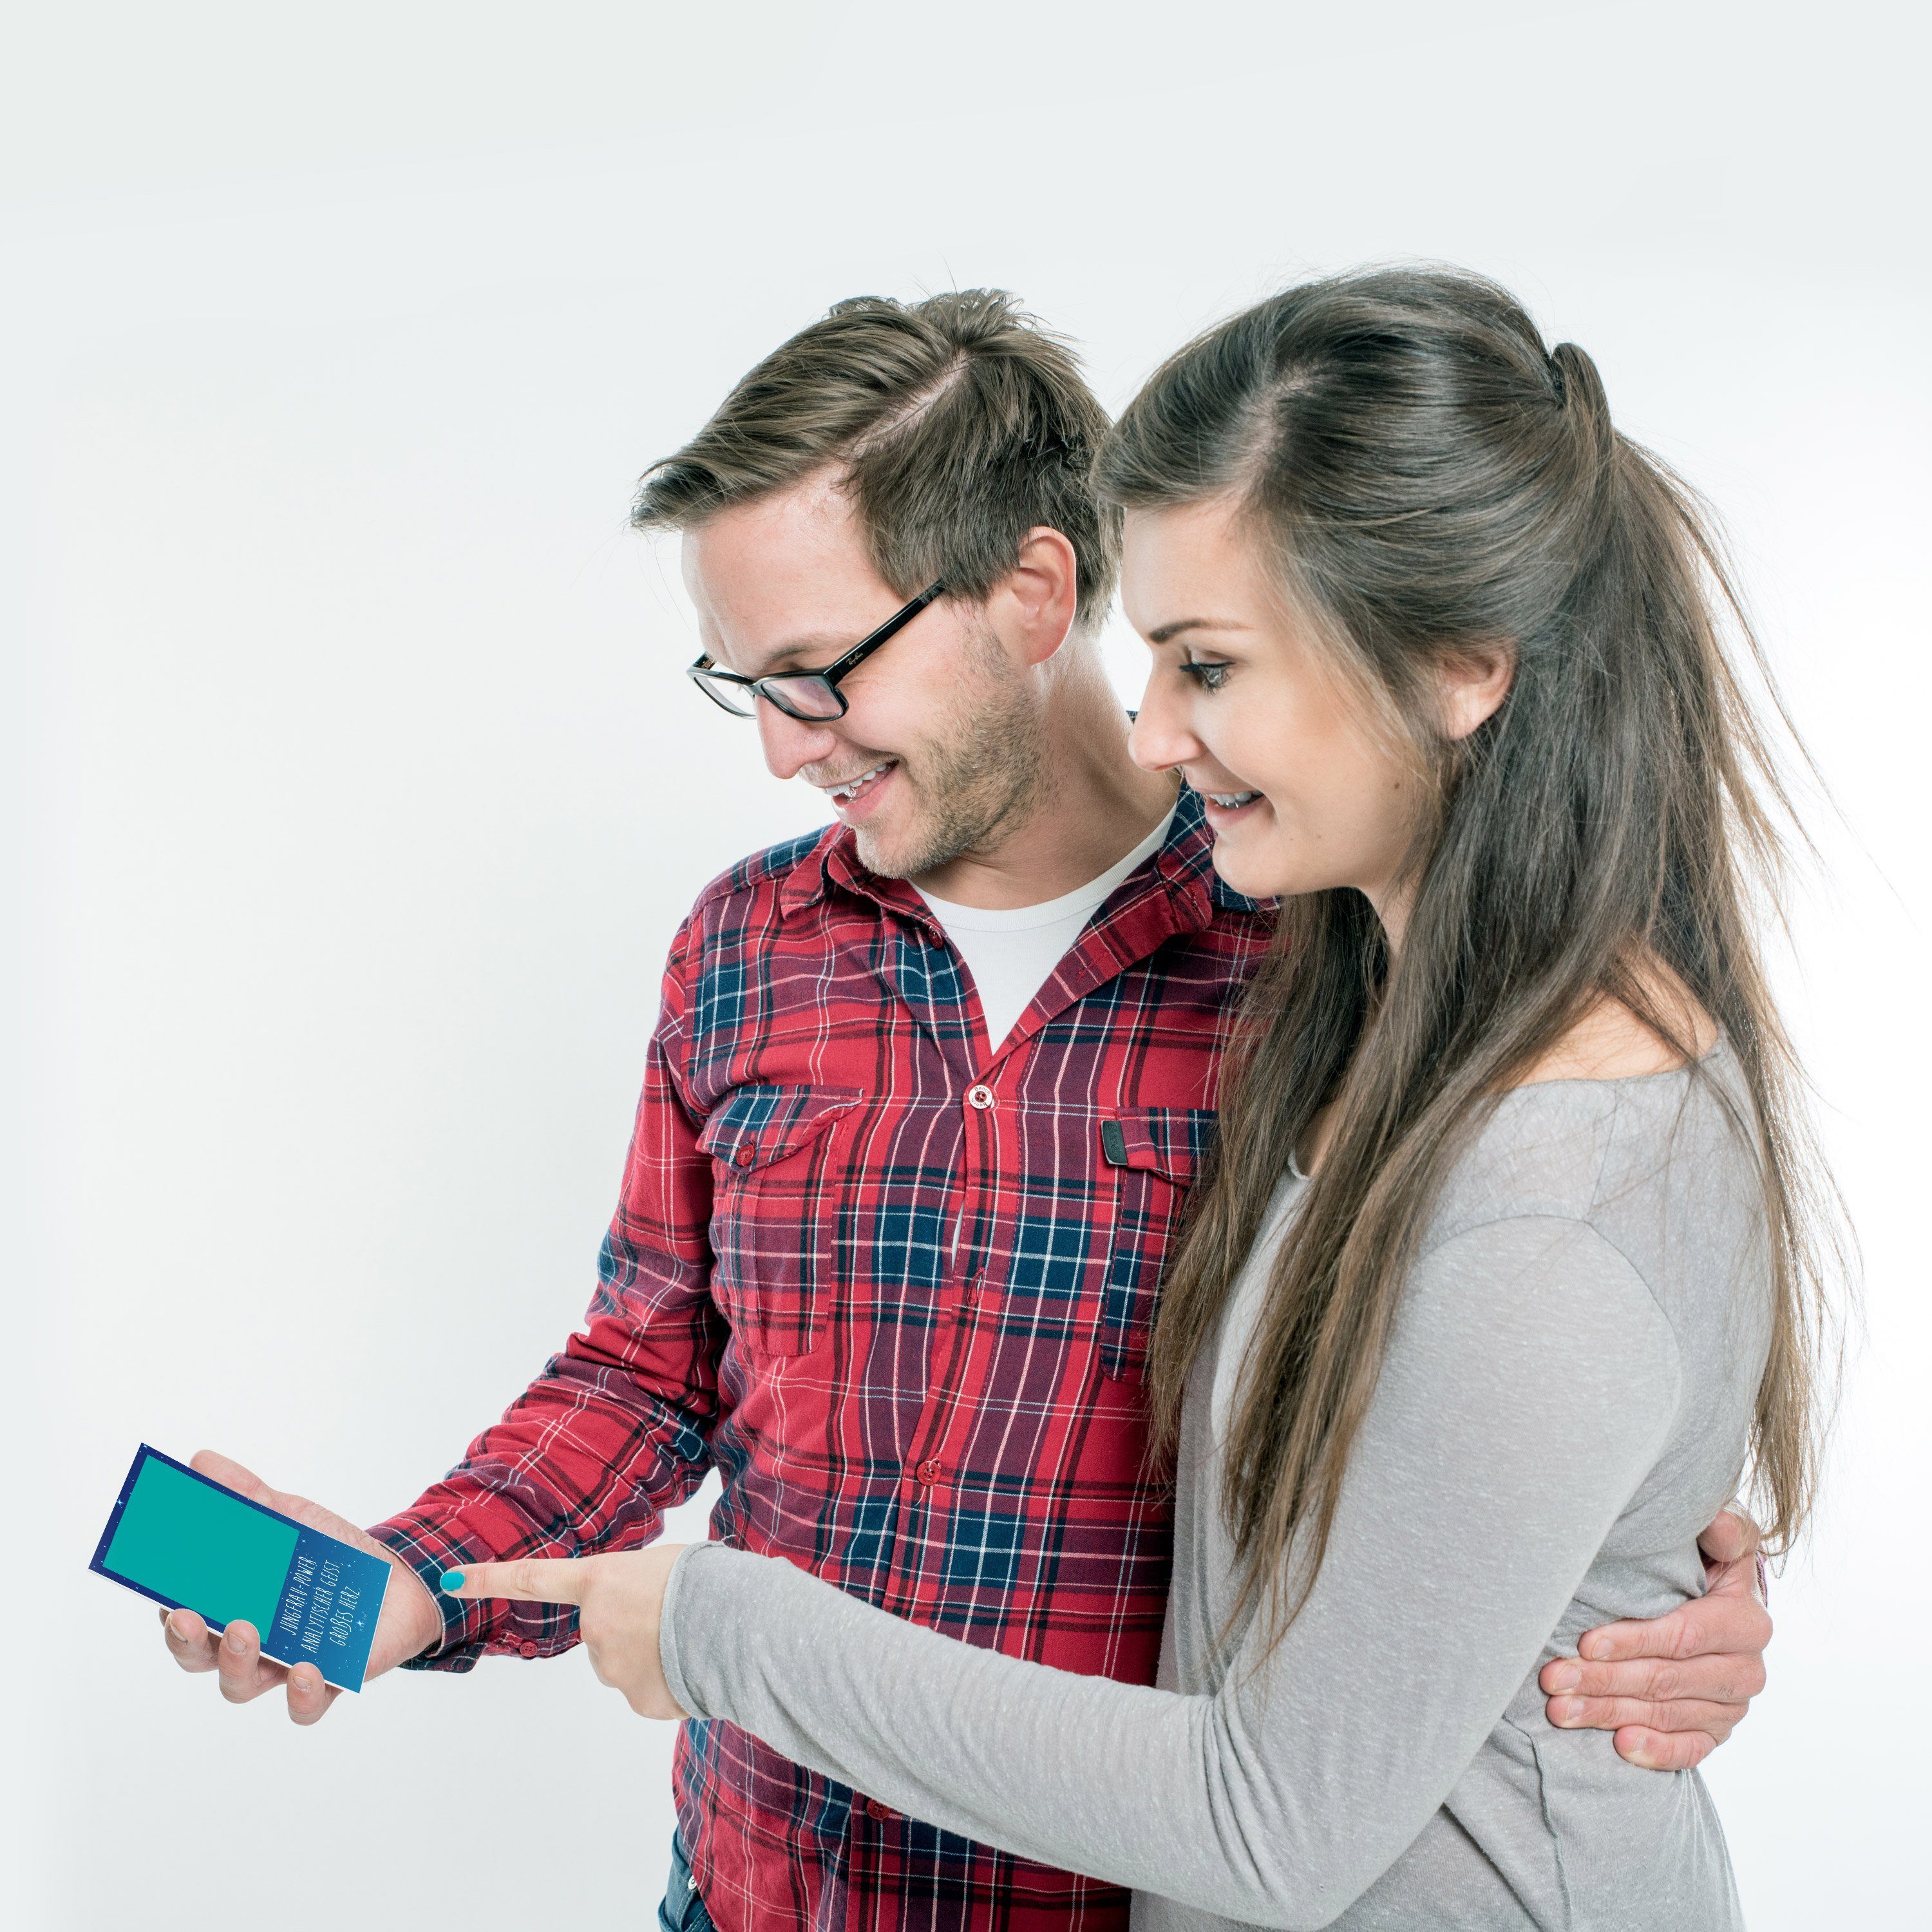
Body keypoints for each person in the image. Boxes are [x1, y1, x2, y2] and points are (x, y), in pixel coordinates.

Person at [160, 289, 1777, 1932]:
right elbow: (647, 1370)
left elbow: (1533, 1333)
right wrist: (417, 1584)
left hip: (1109, 1895)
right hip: (758, 1888)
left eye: (818, 673)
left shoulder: (1322, 950)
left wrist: (1647, 1584)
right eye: (747, 687)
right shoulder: (745, 949)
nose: (788, 751)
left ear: (1031, 592)